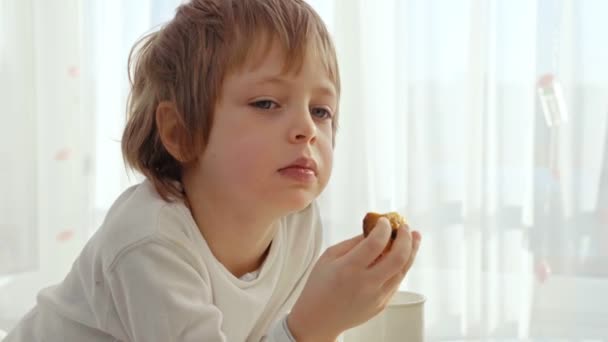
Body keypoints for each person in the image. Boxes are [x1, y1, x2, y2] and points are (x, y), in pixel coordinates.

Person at [5, 0, 421, 340]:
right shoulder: (149, 240)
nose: (307, 129)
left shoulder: (297, 225)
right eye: (266, 104)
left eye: (321, 110)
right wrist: (315, 325)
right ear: (180, 133)